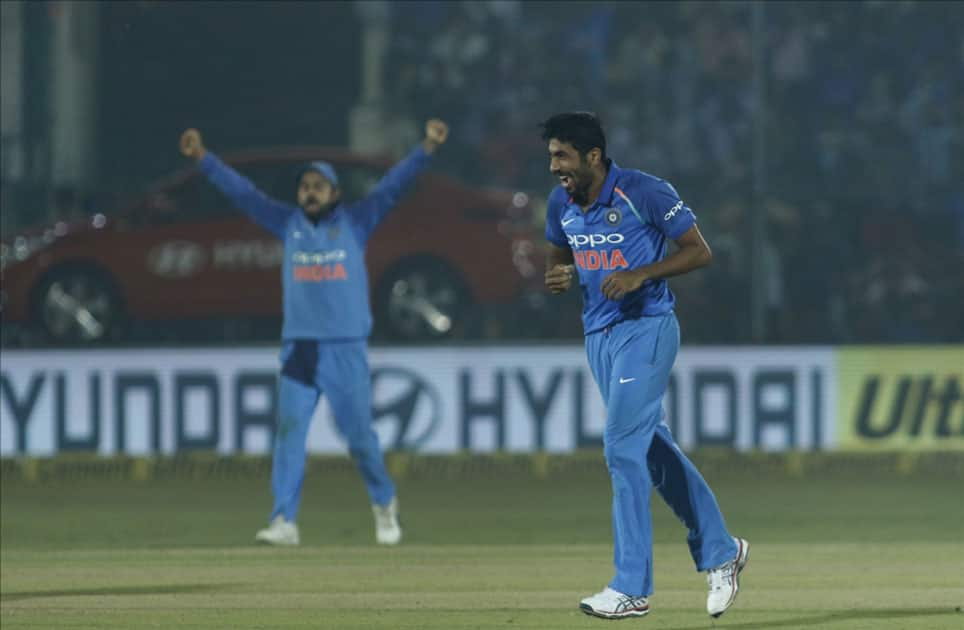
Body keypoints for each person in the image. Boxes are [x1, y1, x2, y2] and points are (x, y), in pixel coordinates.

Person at [179, 119, 449, 546]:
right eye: (304, 185)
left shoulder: (357, 222)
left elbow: (393, 187)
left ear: (335, 193)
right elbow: (242, 194)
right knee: (289, 434)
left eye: (318, 185)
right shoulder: (287, 223)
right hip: (300, 349)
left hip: (345, 349)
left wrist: (426, 150)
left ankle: (384, 504)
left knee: (359, 438)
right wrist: (203, 159)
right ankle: (284, 520)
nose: (309, 191)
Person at [540, 112, 749, 620]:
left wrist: (642, 274)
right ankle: (723, 551)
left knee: (619, 448)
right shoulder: (560, 202)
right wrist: (558, 275)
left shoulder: (645, 192)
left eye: (562, 156)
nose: (554, 167)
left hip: (648, 330)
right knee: (652, 451)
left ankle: (631, 586)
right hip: (598, 338)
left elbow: (699, 251)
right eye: (550, 157)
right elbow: (556, 254)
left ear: (593, 156)